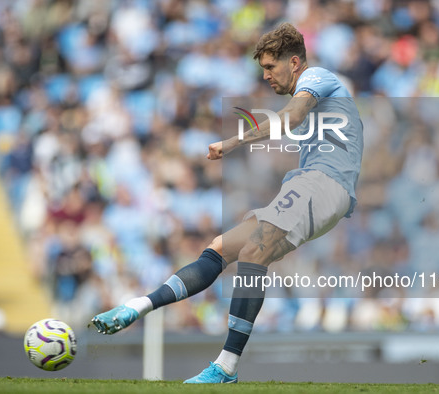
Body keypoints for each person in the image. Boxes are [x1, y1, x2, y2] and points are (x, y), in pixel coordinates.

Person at [92, 22, 363, 384]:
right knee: (219, 249)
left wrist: (232, 143)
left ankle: (226, 367)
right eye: (262, 69)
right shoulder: (315, 91)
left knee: (254, 253)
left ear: (295, 62)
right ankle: (138, 306)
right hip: (309, 183)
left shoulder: (317, 75)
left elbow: (292, 118)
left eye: (270, 67)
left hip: (325, 184)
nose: (266, 76)